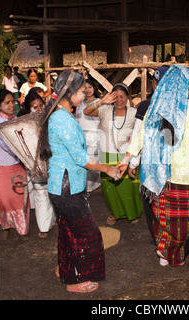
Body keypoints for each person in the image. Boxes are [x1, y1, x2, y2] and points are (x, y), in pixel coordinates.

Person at [117, 65, 189, 267]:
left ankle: (164, 251)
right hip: (185, 177)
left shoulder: (156, 107)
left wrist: (126, 160)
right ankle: (176, 254)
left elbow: (141, 136)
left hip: (160, 177)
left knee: (165, 219)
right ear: (187, 86)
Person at [38, 70, 121, 293]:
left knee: (68, 232)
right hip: (67, 188)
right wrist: (107, 169)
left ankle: (64, 268)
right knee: (87, 234)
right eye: (82, 90)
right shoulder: (62, 119)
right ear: (70, 92)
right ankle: (74, 281)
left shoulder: (62, 113)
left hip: (64, 185)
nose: (84, 94)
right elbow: (80, 158)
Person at [83, 83, 143, 226]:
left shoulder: (134, 113)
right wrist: (102, 101)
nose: (120, 100)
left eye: (123, 96)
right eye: (116, 97)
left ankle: (132, 213)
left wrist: (133, 136)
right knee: (110, 188)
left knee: (128, 187)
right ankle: (115, 213)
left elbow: (141, 130)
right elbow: (86, 111)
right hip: (106, 154)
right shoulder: (104, 109)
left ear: (128, 97)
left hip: (126, 155)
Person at [129, 65, 169, 240]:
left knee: (151, 203)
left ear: (154, 83)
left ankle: (157, 238)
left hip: (150, 166)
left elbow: (139, 136)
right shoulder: (180, 107)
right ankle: (168, 237)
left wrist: (133, 162)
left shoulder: (145, 106)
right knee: (169, 204)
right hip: (171, 166)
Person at [0, 89, 30, 239]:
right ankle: (6, 224)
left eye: (13, 101)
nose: (12, 104)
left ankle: (21, 227)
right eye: (7, 102)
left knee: (19, 196)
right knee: (6, 199)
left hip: (18, 164)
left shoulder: (14, 118)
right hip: (2, 165)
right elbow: (7, 145)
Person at [21, 91, 56, 238]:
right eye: (35, 106)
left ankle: (55, 218)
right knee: (41, 193)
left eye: (41, 105)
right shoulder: (23, 123)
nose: (40, 109)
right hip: (34, 162)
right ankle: (44, 227)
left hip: (51, 159)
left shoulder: (50, 118)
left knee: (54, 191)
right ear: (28, 108)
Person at [75, 79, 102, 196]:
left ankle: (97, 185)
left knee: (94, 162)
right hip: (82, 137)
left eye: (89, 87)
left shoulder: (100, 102)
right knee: (85, 162)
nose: (87, 90)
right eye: (84, 88)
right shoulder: (79, 103)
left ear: (94, 88)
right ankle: (87, 188)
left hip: (96, 135)